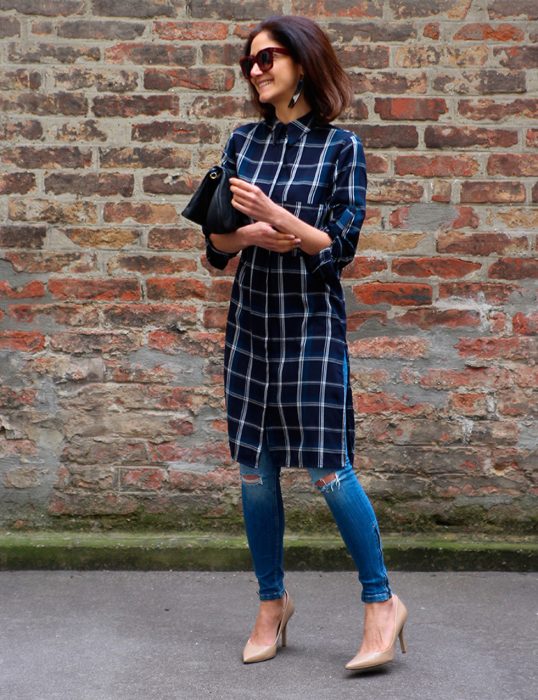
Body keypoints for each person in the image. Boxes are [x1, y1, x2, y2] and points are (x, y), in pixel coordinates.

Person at [201, 15, 408, 670]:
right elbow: (216, 242)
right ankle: (272, 604)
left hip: (311, 322)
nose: (255, 70)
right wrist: (250, 235)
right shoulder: (242, 143)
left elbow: (337, 246)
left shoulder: (341, 147)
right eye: (249, 63)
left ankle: (382, 605)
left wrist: (279, 217)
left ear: (303, 62)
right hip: (253, 320)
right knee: (254, 470)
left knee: (328, 467)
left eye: (267, 58)